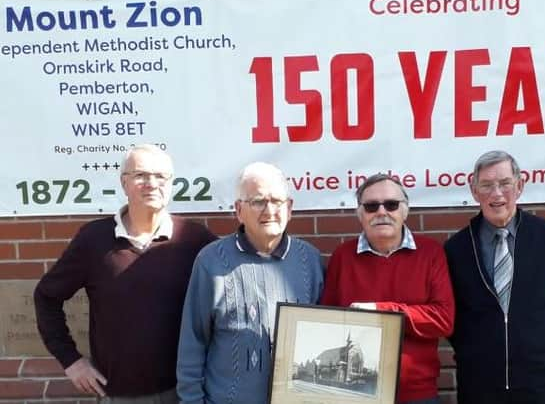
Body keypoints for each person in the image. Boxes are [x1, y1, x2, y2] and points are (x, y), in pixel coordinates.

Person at [33, 144, 217, 402]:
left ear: (171, 183)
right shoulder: (93, 240)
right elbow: (46, 297)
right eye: (140, 175)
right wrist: (71, 361)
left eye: (160, 176)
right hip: (119, 395)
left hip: (186, 393)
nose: (151, 183)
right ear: (124, 183)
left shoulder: (195, 240)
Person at [176, 162, 324, 404]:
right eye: (257, 201)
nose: (269, 210)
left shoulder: (310, 260)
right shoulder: (211, 261)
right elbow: (193, 341)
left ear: (290, 208)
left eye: (277, 201)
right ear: (238, 210)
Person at [444, 150, 545, 404]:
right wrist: (475, 350)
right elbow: (453, 317)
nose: (497, 194)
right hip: (479, 382)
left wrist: (539, 344)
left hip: (540, 381)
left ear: (519, 185)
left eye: (505, 183)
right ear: (474, 192)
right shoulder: (457, 248)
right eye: (486, 185)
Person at [321, 173, 455, 404]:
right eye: (372, 206)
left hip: (416, 394)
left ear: (405, 210)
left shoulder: (430, 253)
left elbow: (443, 319)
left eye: (391, 205)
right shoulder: (343, 257)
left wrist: (380, 311)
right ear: (360, 214)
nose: (382, 212)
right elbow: (327, 322)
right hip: (354, 395)